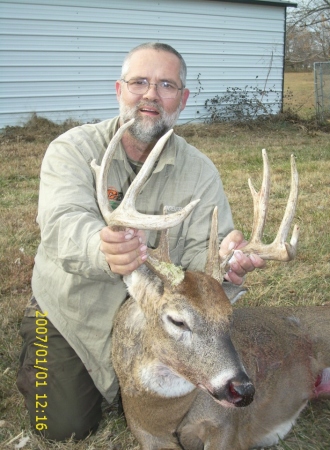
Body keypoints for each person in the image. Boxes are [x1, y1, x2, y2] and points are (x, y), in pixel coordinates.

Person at [16, 42, 265, 441]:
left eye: (166, 85)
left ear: (182, 99)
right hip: (74, 310)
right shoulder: (72, 149)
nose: (151, 94)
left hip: (163, 319)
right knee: (61, 427)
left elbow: (209, 259)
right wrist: (101, 246)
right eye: (139, 82)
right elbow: (62, 222)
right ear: (119, 90)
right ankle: (39, 340)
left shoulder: (200, 171)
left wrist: (229, 262)